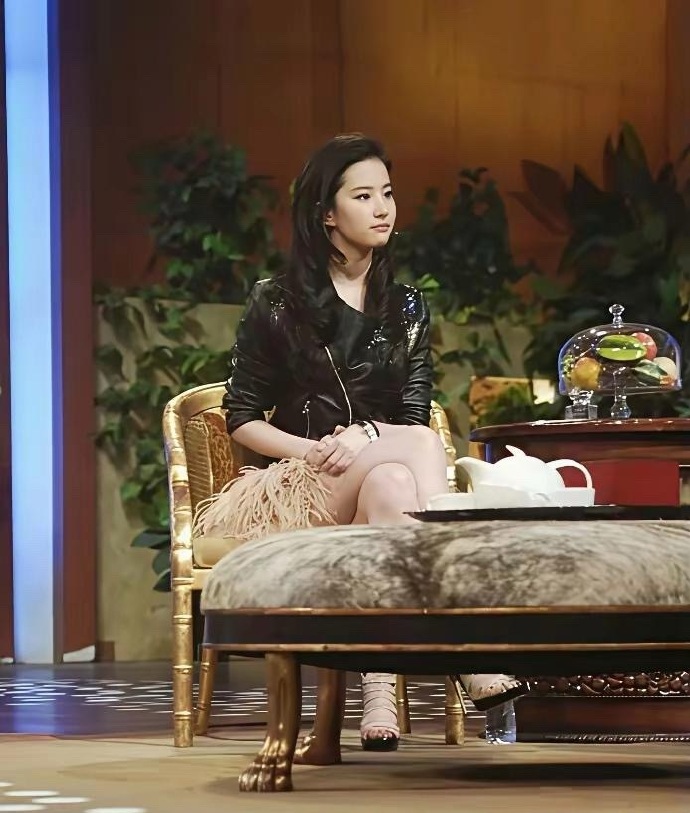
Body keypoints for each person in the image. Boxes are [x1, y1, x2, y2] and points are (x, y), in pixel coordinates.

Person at [196, 133, 526, 751]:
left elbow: (412, 413)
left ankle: (379, 690)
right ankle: (467, 647)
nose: (383, 209)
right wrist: (311, 450)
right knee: (417, 452)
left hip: (378, 478)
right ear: (327, 213)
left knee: (394, 483)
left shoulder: (407, 306)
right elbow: (241, 417)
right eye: (364, 196)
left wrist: (370, 436)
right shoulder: (277, 301)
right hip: (299, 485)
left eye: (388, 194)